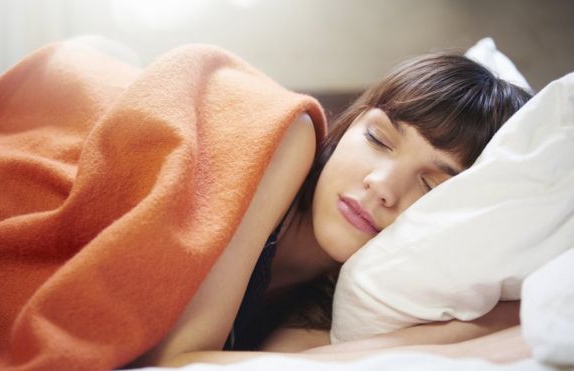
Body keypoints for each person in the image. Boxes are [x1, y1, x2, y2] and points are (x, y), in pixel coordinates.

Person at [129, 52, 532, 367]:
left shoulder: (343, 308)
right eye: (378, 138)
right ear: (350, 124)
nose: (383, 184)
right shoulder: (290, 139)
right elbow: (172, 363)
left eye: (430, 184)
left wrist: (499, 324)